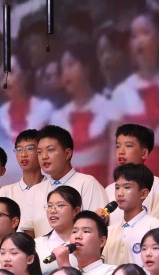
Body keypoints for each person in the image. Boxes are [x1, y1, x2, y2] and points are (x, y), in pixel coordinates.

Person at [110, 12, 159, 172]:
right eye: (134, 36)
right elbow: (115, 155)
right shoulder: (122, 92)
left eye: (145, 32)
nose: (139, 40)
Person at [23, 125, 108, 236]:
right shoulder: (34, 191)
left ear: (67, 153)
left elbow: (98, 229)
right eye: (39, 152)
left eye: (50, 150)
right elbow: (28, 233)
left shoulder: (87, 183)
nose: (44, 157)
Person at [50, 42, 112, 184]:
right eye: (63, 68)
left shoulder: (107, 108)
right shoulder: (57, 118)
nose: (66, 73)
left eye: (70, 65)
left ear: (87, 68)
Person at [105, 124, 159, 227]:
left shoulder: (155, 185)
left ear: (144, 153)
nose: (121, 151)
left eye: (128, 146)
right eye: (118, 146)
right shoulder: (108, 190)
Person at [105, 163, 159, 267]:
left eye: (127, 187)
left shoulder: (154, 227)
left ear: (143, 193)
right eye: (117, 187)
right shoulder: (110, 231)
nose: (119, 193)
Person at [0, 130, 47, 231]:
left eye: (30, 148)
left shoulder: (54, 189)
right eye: (19, 149)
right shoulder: (6, 193)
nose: (23, 154)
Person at [35, 186, 82, 275]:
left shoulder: (85, 244)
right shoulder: (37, 244)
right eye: (49, 206)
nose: (52, 211)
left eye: (60, 205)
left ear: (76, 211)